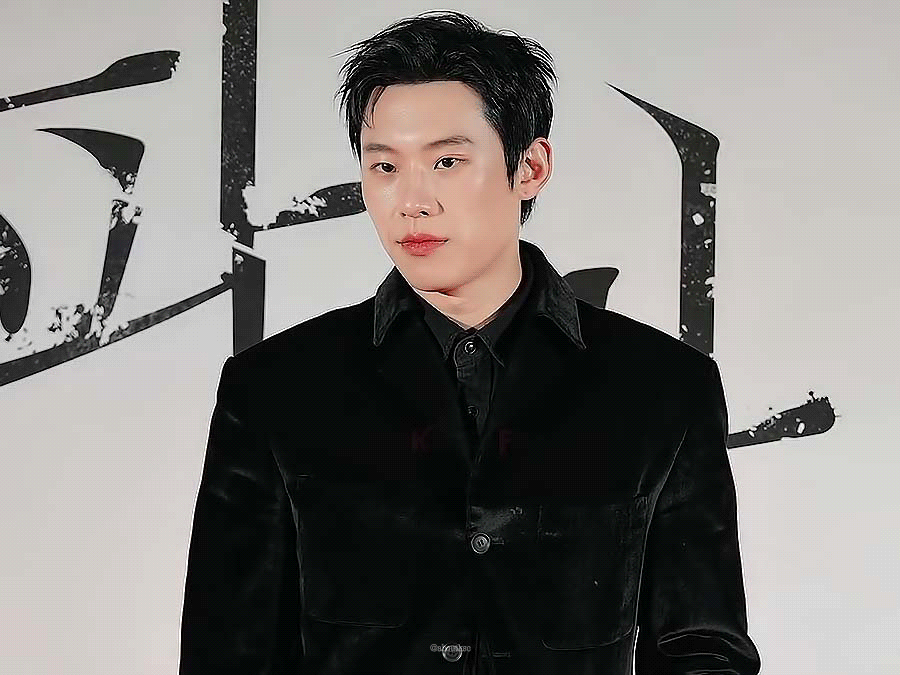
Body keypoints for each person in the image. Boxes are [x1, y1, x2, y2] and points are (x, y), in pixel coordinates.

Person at [179, 10, 761, 675]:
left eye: (447, 161)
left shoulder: (662, 385)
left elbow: (703, 651)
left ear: (530, 166)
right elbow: (227, 655)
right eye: (384, 165)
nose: (412, 201)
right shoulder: (275, 387)